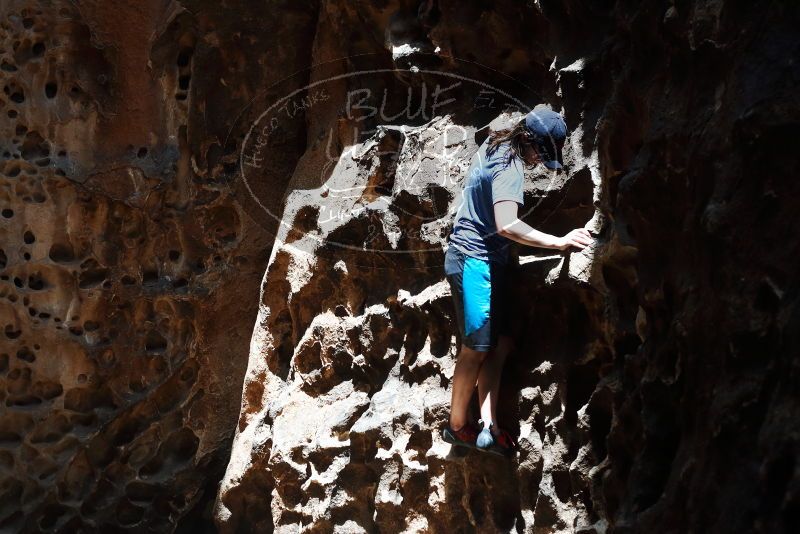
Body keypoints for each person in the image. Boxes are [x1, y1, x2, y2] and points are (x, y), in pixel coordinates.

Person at [441, 107, 593, 457]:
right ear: (529, 142)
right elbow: (507, 224)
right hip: (473, 261)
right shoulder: (509, 168)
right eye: (542, 154)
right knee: (476, 346)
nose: (540, 162)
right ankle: (456, 427)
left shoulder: (495, 144)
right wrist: (558, 242)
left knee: (502, 343)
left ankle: (489, 429)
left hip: (491, 263)